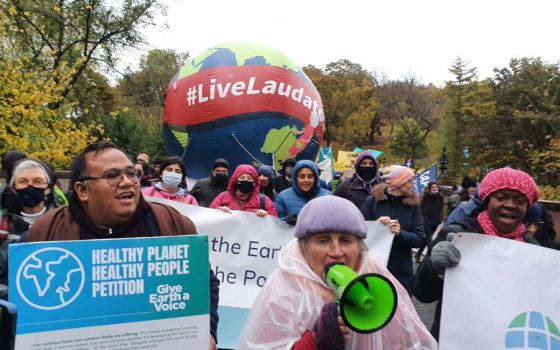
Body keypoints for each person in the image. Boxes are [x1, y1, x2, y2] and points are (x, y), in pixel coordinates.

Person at [24, 142, 219, 349]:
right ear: (82, 190)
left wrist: (208, 331)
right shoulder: (46, 233)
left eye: (131, 173)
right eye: (113, 175)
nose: (126, 182)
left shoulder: (173, 223)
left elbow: (205, 282)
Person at [237, 196, 437, 349]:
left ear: (359, 246)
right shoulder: (282, 291)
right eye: (323, 240)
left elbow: (405, 341)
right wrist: (316, 339)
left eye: (345, 240)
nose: (336, 252)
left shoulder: (377, 277)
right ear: (304, 247)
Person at [413, 167, 540, 340]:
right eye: (501, 197)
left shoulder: (532, 248)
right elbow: (422, 293)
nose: (510, 205)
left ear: (527, 207)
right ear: (487, 202)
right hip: (456, 338)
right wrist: (434, 269)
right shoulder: (459, 236)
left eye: (520, 200)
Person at [0, 159, 61, 296]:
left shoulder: (64, 220)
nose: (30, 186)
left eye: (38, 181)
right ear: (13, 188)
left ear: (48, 188)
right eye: (22, 181)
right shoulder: (2, 222)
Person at [360, 165, 424, 295]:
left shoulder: (413, 205)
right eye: (410, 181)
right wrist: (377, 227)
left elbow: (419, 239)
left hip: (402, 272)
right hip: (374, 268)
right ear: (398, 181)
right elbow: (359, 233)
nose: (412, 185)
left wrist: (401, 233)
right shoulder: (372, 201)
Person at [274, 160, 332, 224]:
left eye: (310, 176)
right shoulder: (282, 197)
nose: (306, 180)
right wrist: (286, 220)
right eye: (302, 176)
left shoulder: (328, 196)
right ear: (295, 178)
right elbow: (275, 224)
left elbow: (334, 221)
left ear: (315, 178)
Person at [210, 164, 277, 217]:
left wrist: (267, 216)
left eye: (249, 178)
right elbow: (209, 216)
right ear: (235, 180)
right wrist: (218, 211)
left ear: (254, 182)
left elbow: (274, 223)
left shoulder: (263, 200)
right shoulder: (222, 197)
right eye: (242, 178)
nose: (245, 180)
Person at [416, 181, 445, 262]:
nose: (434, 188)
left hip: (435, 221)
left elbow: (442, 208)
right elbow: (420, 207)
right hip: (426, 220)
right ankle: (430, 256)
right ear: (429, 188)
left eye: (436, 187)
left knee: (427, 239)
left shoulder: (440, 197)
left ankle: (418, 254)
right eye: (432, 187)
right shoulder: (425, 196)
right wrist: (422, 218)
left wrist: (441, 218)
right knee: (429, 239)